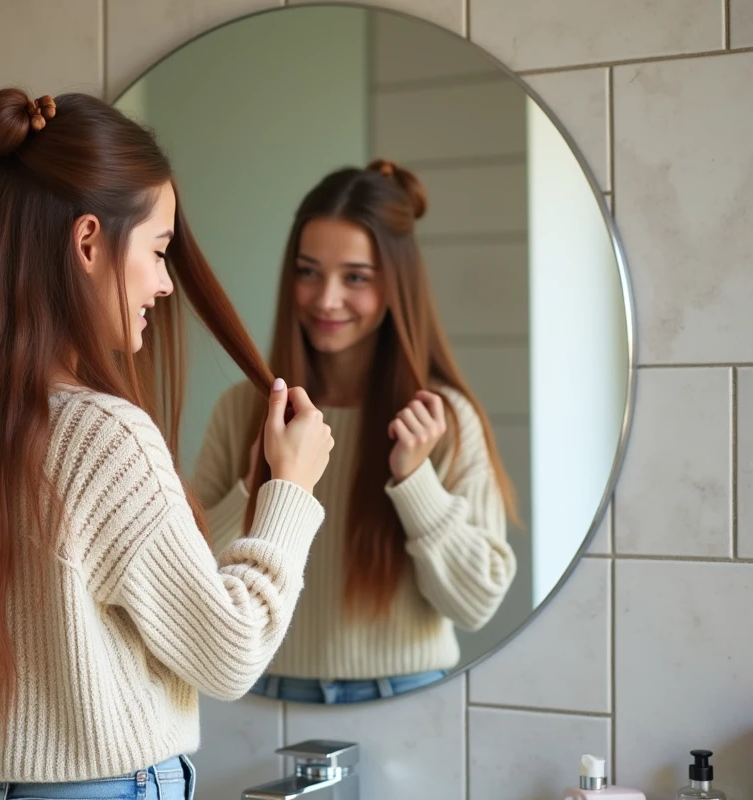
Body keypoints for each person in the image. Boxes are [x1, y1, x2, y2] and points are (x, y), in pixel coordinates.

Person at [0, 88, 335, 800]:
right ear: (87, 242)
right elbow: (231, 653)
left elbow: (96, 578)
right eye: (158, 252)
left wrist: (251, 493)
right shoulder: (102, 435)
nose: (164, 284)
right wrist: (291, 492)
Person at [192, 159, 518, 705]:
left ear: (397, 285)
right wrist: (256, 485)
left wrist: (414, 480)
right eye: (308, 271)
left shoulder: (442, 419)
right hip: (263, 699)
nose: (326, 299)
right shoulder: (241, 411)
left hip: (408, 699)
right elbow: (188, 579)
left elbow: (476, 602)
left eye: (356, 277)